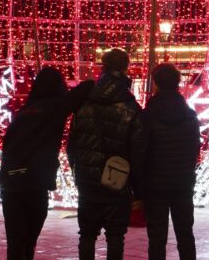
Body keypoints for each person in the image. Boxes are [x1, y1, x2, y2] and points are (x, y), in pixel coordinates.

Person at [0, 67, 95, 260]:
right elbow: (85, 88)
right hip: (33, 181)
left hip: (10, 181)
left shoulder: (24, 112)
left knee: (16, 239)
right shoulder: (55, 106)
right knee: (29, 236)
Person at [67, 49, 145, 260]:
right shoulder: (131, 107)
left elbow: (71, 143)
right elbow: (138, 151)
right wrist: (138, 189)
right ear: (125, 69)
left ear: (103, 68)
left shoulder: (84, 102)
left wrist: (78, 170)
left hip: (87, 179)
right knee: (115, 235)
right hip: (117, 180)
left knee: (87, 234)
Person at [140, 64, 200, 260]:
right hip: (183, 182)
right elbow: (195, 150)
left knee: (157, 237)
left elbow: (142, 150)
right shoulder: (190, 116)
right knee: (185, 234)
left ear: (156, 83)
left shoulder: (148, 116)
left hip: (155, 183)